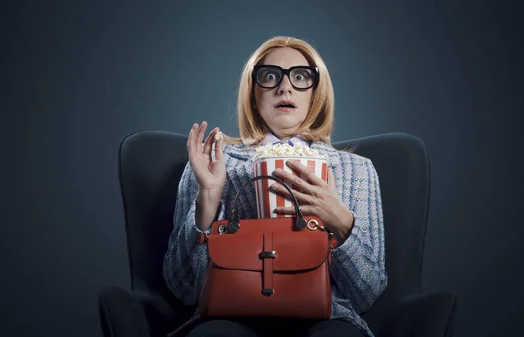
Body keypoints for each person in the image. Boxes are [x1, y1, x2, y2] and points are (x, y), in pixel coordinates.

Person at [163, 36, 387, 337]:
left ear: (316, 93)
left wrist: (340, 220)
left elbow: (366, 294)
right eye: (270, 76)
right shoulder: (212, 161)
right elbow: (184, 287)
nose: (285, 87)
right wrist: (209, 198)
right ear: (253, 93)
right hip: (231, 312)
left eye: (301, 76)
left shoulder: (357, 171)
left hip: (326, 315)